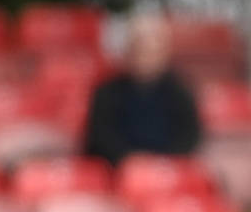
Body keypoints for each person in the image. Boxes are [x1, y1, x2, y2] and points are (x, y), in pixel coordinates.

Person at [83, 12, 202, 165]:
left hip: (167, 172)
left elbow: (189, 138)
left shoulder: (181, 92)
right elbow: (101, 139)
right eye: (139, 48)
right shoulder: (105, 92)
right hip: (117, 173)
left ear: (165, 53)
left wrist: (160, 162)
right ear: (127, 51)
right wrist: (131, 160)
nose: (145, 57)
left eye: (152, 50)